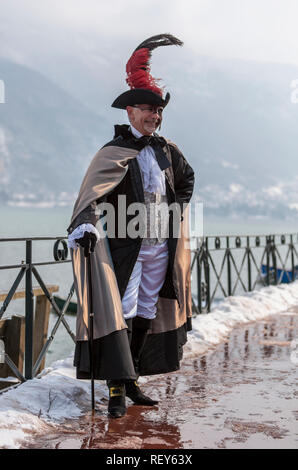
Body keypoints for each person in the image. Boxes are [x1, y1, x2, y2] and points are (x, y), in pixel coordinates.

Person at [67, 34, 195, 418]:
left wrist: (178, 210)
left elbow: (187, 179)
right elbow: (90, 195)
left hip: (160, 243)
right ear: (130, 112)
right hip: (127, 244)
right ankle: (116, 388)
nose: (154, 116)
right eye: (147, 110)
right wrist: (87, 224)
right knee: (119, 308)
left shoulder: (168, 149)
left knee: (146, 308)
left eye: (158, 112)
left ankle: (134, 377)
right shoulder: (113, 152)